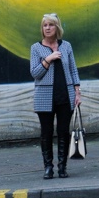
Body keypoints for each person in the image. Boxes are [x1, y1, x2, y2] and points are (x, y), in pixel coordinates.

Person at [30, 13, 82, 179]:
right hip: (44, 97)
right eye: (45, 25)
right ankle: (48, 167)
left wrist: (77, 91)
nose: (47, 28)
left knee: (63, 132)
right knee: (46, 133)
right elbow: (35, 73)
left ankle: (62, 166)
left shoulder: (66, 46)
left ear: (57, 27)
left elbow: (73, 69)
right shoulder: (36, 48)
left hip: (65, 95)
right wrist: (48, 59)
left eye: (51, 25)